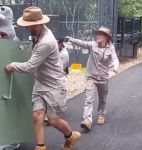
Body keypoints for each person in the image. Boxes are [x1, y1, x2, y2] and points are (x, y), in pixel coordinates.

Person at [4, 7, 81, 150]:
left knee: (53, 121)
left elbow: (30, 66)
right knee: (37, 116)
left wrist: (12, 65)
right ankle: (40, 147)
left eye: (29, 26)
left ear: (38, 24)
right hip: (41, 83)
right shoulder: (39, 34)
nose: (27, 29)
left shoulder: (46, 41)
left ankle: (71, 136)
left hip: (54, 85)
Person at [66, 26, 119, 131]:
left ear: (106, 38)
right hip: (92, 77)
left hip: (103, 78)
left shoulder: (111, 47)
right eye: (97, 34)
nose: (97, 36)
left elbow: (115, 59)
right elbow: (82, 43)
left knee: (102, 98)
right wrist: (70, 39)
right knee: (89, 99)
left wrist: (115, 66)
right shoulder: (92, 45)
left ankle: (101, 114)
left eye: (100, 34)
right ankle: (87, 121)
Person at [0, 6, 20, 150]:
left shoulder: (10, 33)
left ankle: (12, 139)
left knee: (10, 106)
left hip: (10, 75)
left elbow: (8, 41)